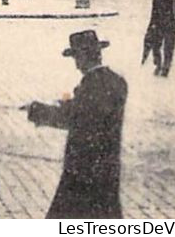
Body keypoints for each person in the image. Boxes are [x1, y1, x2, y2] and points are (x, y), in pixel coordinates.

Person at [24, 30, 127, 218]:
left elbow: (75, 118)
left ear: (82, 58)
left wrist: (38, 110)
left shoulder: (92, 85)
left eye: (76, 58)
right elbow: (90, 111)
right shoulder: (116, 81)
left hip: (83, 168)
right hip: (107, 166)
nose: (76, 65)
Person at [141, 0, 175, 77]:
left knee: (156, 47)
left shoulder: (156, 0)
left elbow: (154, 16)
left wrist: (150, 28)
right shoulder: (174, 0)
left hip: (159, 27)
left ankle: (158, 65)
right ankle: (166, 67)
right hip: (171, 28)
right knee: (168, 49)